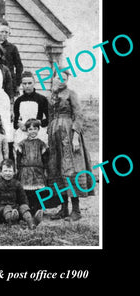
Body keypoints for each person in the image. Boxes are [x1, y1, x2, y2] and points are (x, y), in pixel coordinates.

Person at [47, 70, 93, 221]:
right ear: (53, 78)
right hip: (54, 135)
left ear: (67, 80)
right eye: (58, 77)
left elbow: (79, 116)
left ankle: (76, 210)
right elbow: (50, 116)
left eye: (64, 78)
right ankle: (63, 209)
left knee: (70, 169)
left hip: (68, 134)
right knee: (57, 169)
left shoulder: (71, 94)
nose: (61, 80)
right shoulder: (51, 95)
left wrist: (74, 137)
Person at [0, 159, 39, 229]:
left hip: (14, 209)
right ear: (0, 172)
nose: (8, 173)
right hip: (0, 210)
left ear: (14, 172)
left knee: (23, 207)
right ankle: (11, 221)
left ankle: (31, 222)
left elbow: (23, 199)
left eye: (10, 171)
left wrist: (24, 206)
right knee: (7, 208)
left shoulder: (17, 184)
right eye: (5, 171)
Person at [16, 119, 48, 217]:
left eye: (35, 129)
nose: (33, 131)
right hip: (25, 171)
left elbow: (45, 158)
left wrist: (45, 169)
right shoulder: (22, 143)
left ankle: (38, 209)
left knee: (38, 191)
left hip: (38, 170)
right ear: (26, 131)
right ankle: (28, 210)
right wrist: (18, 168)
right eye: (30, 129)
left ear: (38, 130)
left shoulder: (41, 144)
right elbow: (18, 157)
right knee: (27, 191)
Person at [13, 71, 49, 149]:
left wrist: (40, 122)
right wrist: (20, 125)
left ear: (34, 83)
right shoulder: (18, 101)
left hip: (37, 131)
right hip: (23, 132)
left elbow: (49, 118)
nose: (27, 86)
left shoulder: (42, 99)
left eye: (29, 83)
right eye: (24, 84)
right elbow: (15, 121)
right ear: (22, 84)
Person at [0, 21, 23, 95]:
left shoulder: (12, 48)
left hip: (9, 81)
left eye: (6, 32)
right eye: (2, 31)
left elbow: (19, 66)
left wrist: (17, 84)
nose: (4, 34)